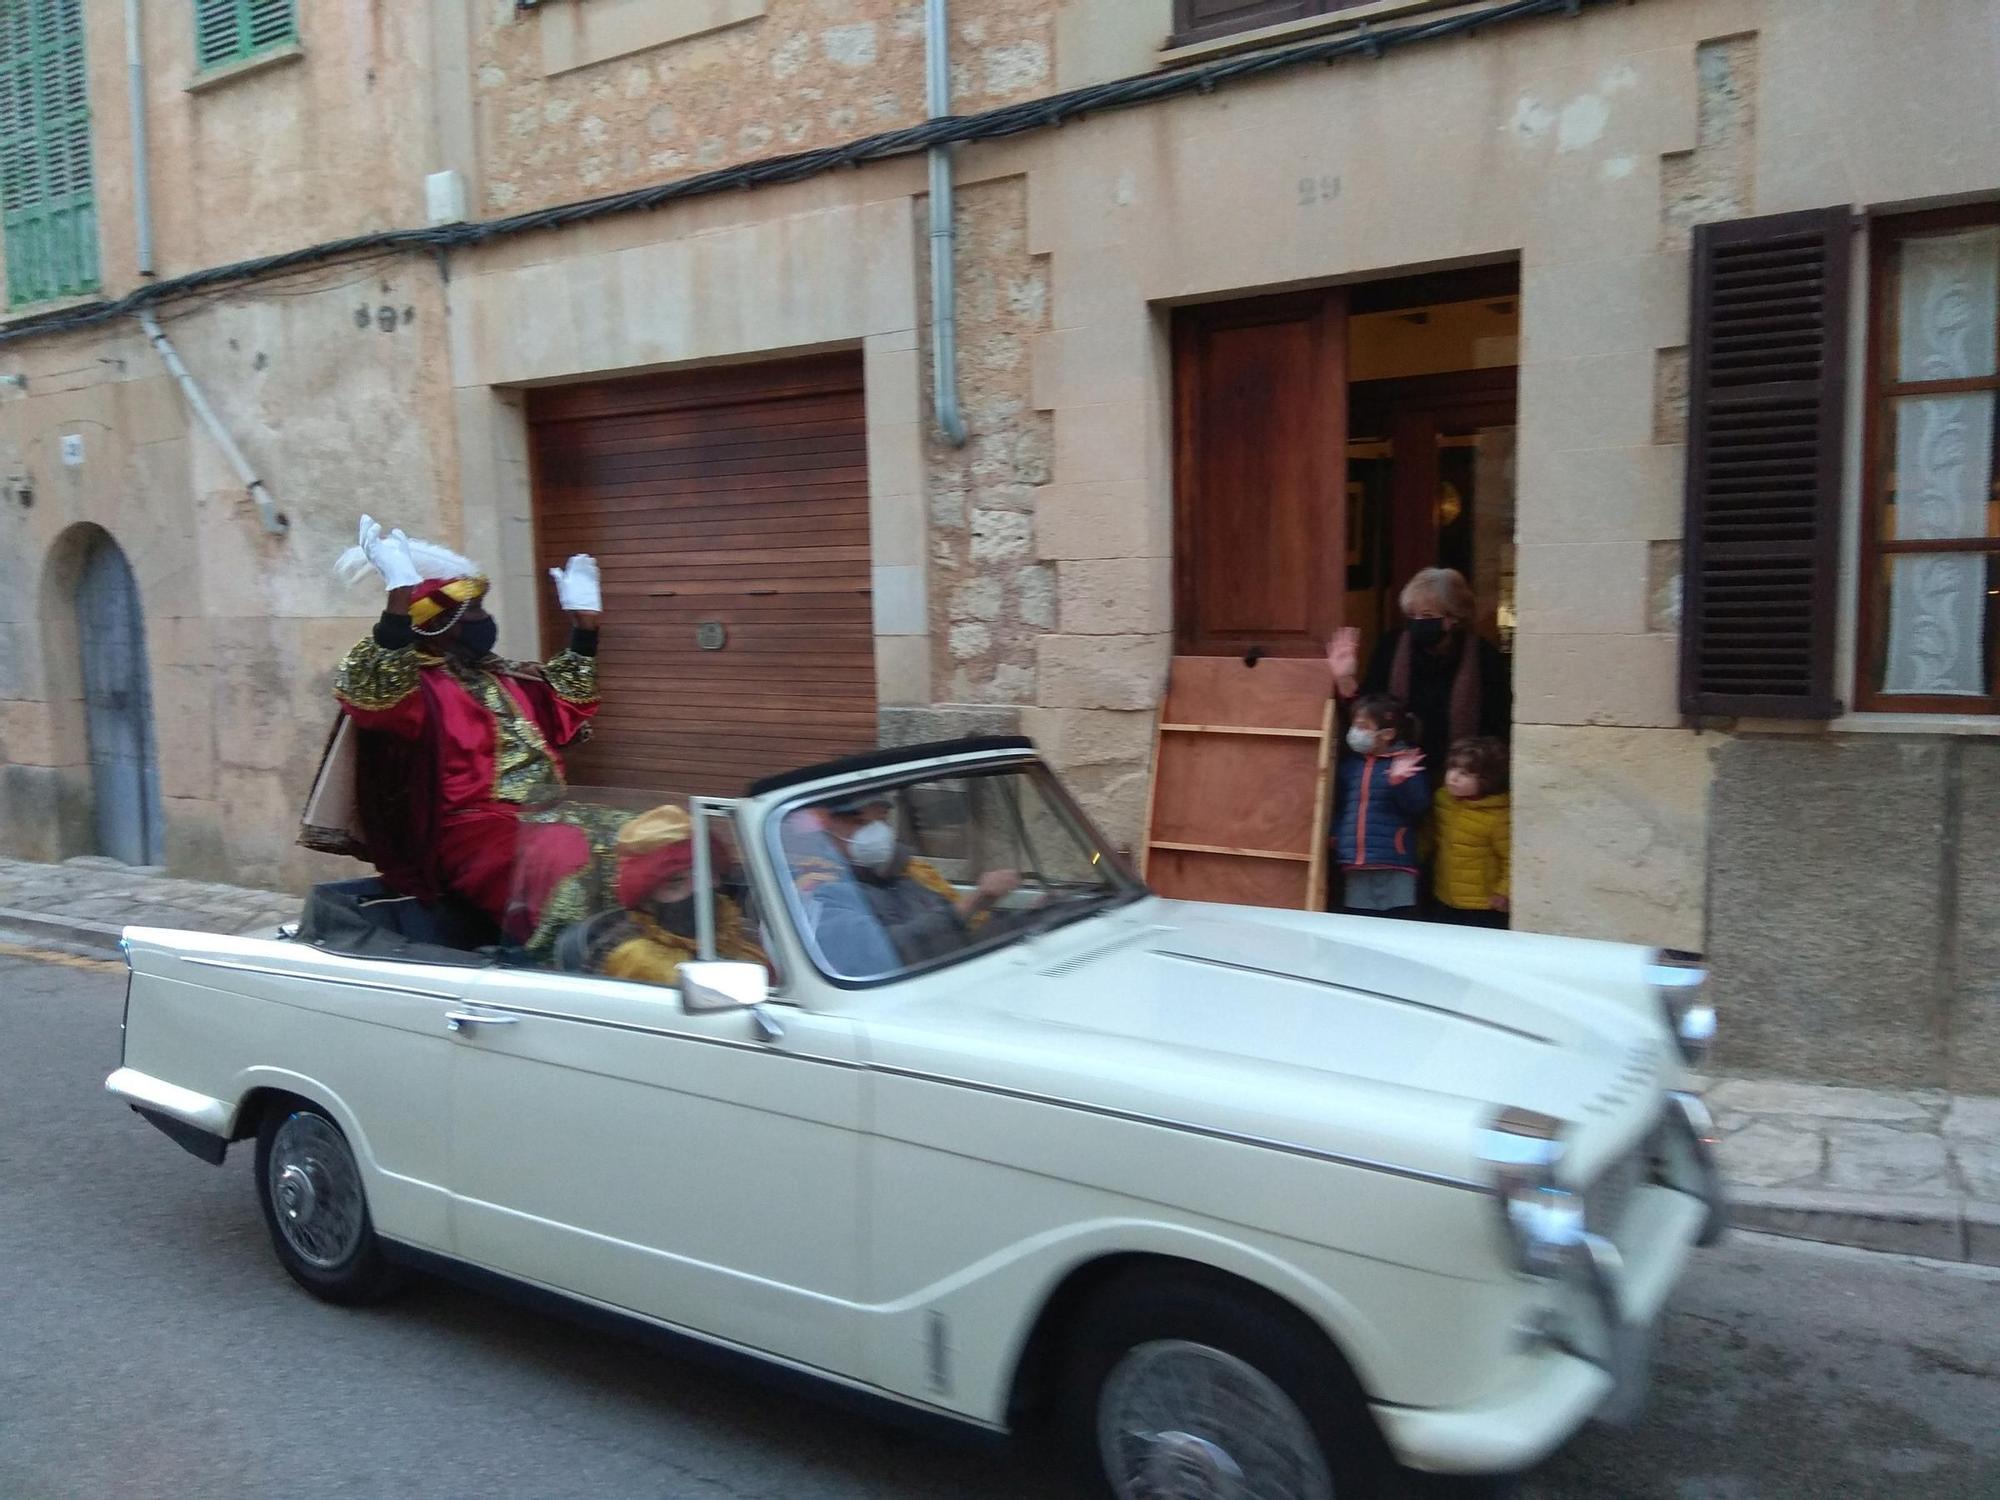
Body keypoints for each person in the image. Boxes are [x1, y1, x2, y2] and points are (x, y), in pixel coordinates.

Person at [332, 514, 609, 940]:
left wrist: (584, 633)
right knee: (566, 869)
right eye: (474, 609)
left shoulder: (498, 675)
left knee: (653, 844)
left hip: (550, 814)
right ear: (440, 620)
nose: (485, 620)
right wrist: (399, 603)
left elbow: (565, 709)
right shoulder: (416, 689)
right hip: (473, 828)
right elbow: (372, 692)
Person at [800, 791, 1020, 974]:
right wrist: (973, 902)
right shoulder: (819, 888)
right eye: (860, 823)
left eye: (882, 821)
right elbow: (882, 952)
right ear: (828, 827)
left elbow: (961, 935)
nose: (876, 833)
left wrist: (1021, 921)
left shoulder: (910, 875)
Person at [1326, 567, 1511, 777]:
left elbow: (1498, 726)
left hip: (1461, 780)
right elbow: (1369, 711)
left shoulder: (1483, 657)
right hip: (1395, 774)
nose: (1418, 622)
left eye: (1427, 615)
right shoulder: (1392, 646)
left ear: (1454, 617)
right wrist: (1345, 680)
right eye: (1412, 615)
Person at [564, 804, 767, 986]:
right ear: (648, 900)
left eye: (704, 873)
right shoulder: (640, 958)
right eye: (676, 883)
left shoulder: (735, 928)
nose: (697, 888)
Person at [1330, 695, 1429, 919]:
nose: (1356, 731)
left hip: (1394, 859)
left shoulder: (1407, 763)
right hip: (1356, 861)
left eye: (1363, 727)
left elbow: (1418, 807)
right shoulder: (1351, 766)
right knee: (1359, 920)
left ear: (1388, 734)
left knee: (1398, 920)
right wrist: (1335, 832)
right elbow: (1341, 804)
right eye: (1354, 725)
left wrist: (1400, 783)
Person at [1428, 735, 1511, 929]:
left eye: (1465, 773)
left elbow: (1510, 858)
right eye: (1452, 768)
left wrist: (1504, 891)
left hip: (1482, 904)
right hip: (1444, 895)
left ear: (1487, 780)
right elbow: (1429, 835)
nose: (1453, 777)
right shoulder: (1442, 800)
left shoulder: (1498, 815)